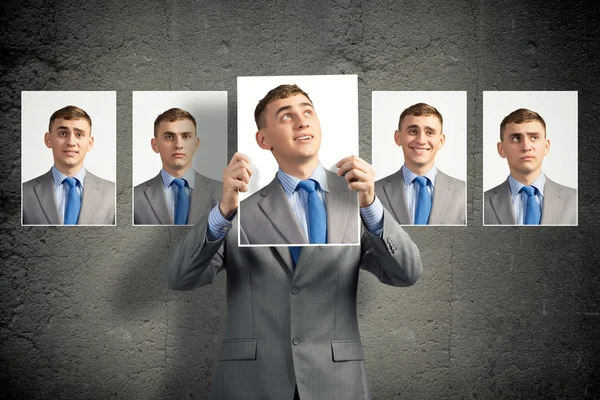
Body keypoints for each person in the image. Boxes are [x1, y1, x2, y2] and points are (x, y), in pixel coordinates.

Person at [166, 84, 422, 400]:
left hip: (336, 381)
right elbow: (179, 278)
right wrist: (223, 211)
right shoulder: (238, 210)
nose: (301, 121)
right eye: (286, 116)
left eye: (307, 112)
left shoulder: (357, 203)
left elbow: (407, 273)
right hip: (250, 382)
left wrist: (371, 205)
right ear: (264, 139)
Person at [22, 105, 115, 225]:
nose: (71, 142)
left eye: (79, 135)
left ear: (90, 143)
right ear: (48, 139)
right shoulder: (23, 193)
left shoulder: (113, 193)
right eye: (63, 134)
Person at [375, 103, 466, 225]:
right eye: (413, 131)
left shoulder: (465, 192)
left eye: (430, 132)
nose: (421, 140)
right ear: (398, 137)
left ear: (441, 141)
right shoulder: (373, 192)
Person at [484, 108, 577, 225]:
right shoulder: (481, 204)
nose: (526, 147)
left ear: (546, 146)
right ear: (501, 149)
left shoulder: (576, 201)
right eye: (516, 138)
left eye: (534, 137)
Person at [134, 108, 222, 225]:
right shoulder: (134, 197)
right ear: (155, 145)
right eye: (169, 137)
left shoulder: (223, 192)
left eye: (185, 136)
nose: (178, 145)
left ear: (196, 144)